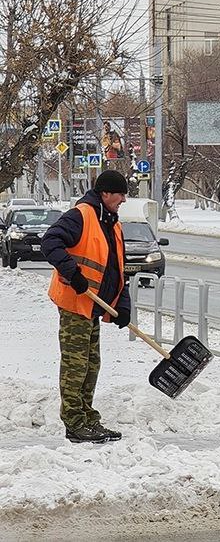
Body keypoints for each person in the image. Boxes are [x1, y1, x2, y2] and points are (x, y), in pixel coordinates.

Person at [41, 170, 132, 444]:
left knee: (92, 364)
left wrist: (123, 303)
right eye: (120, 194)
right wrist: (73, 273)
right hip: (74, 301)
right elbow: (50, 242)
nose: (124, 199)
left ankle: (87, 417)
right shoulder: (81, 215)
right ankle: (74, 423)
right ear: (105, 193)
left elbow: (118, 269)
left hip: (92, 305)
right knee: (75, 364)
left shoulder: (113, 224)